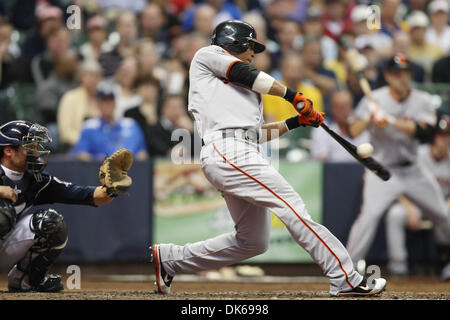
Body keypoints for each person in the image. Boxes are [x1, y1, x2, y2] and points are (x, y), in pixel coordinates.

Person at [150, 20, 386, 297]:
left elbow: (256, 134)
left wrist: (296, 121)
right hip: (228, 151)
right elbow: (245, 73)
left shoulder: (244, 91)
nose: (253, 53)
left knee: (253, 241)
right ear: (233, 41)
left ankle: (170, 259)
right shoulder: (208, 55)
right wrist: (292, 95)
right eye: (250, 46)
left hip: (237, 150)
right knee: (292, 205)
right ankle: (344, 276)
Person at [345, 53, 450, 277]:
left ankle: (446, 261)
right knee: (369, 217)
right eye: (397, 74)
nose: (402, 78)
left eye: (406, 73)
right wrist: (370, 118)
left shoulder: (422, 99)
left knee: (443, 215)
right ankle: (347, 269)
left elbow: (425, 132)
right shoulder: (375, 99)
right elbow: (352, 130)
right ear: (388, 76)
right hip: (382, 170)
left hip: (414, 169)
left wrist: (390, 120)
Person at [0, 120, 127, 292]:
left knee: (51, 222)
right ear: (8, 150)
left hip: (5, 245)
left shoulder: (37, 181)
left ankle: (25, 279)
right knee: (3, 212)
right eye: (30, 147)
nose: (36, 153)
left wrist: (111, 189)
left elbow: (84, 195)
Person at [385, 113, 450, 279]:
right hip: (416, 204)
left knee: (446, 215)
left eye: (447, 136)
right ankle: (398, 267)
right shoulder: (418, 154)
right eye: (441, 135)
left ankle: (447, 266)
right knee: (395, 215)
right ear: (434, 137)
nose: (444, 140)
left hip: (442, 204)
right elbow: (396, 182)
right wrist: (409, 206)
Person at [70, 82, 148, 161]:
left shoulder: (131, 125)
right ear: (98, 104)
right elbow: (81, 154)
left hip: (130, 170)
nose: (107, 104)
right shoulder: (89, 127)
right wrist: (95, 160)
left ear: (115, 103)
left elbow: (142, 152)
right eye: (104, 101)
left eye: (110, 100)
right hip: (100, 170)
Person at [310, 90, 370, 162]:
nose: (342, 111)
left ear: (351, 108)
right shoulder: (322, 129)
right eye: (338, 107)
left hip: (356, 170)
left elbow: (365, 157)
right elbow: (320, 158)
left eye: (345, 107)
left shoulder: (359, 128)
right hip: (330, 170)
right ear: (332, 108)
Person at [57, 59, 103, 149]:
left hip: (101, 149)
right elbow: (66, 132)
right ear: (81, 77)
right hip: (76, 148)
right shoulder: (70, 98)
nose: (93, 79)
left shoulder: (103, 99)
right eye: (90, 75)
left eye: (97, 76)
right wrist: (86, 143)